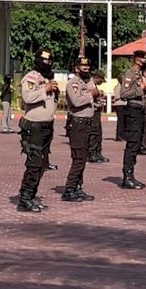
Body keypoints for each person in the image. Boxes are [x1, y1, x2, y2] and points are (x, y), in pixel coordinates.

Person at [16, 49, 58, 212]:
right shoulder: (31, 77)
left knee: (42, 164)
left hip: (47, 125)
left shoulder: (47, 78)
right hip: (34, 126)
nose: (48, 64)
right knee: (34, 163)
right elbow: (27, 98)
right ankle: (25, 197)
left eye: (50, 62)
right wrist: (45, 90)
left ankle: (32, 195)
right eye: (45, 61)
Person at [62, 57, 97, 202]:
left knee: (82, 158)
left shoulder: (85, 83)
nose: (86, 69)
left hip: (86, 123)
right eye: (83, 67)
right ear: (76, 68)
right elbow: (76, 102)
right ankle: (69, 189)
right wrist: (91, 95)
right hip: (78, 124)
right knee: (78, 158)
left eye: (88, 67)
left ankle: (77, 187)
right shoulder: (73, 83)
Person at [119, 50, 146, 189]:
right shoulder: (129, 74)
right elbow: (124, 93)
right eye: (144, 61)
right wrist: (140, 90)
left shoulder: (140, 75)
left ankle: (131, 174)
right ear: (138, 60)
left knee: (137, 143)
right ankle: (127, 176)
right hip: (132, 111)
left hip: (140, 110)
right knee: (132, 143)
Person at [87, 69, 108, 163]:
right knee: (94, 133)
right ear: (96, 78)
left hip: (97, 111)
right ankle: (91, 153)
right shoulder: (89, 85)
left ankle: (98, 153)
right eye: (101, 80)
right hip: (92, 111)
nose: (101, 82)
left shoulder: (94, 85)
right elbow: (88, 99)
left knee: (99, 133)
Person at [112, 75, 126, 141]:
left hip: (123, 104)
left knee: (124, 121)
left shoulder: (123, 87)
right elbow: (117, 96)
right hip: (119, 104)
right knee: (121, 121)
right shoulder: (118, 87)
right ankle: (119, 136)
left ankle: (123, 135)